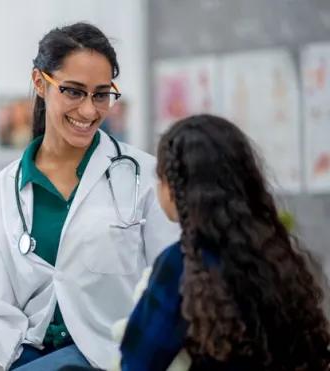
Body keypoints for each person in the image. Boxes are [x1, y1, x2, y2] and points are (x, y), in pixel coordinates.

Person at [0, 22, 180, 371]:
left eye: (101, 94)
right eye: (73, 91)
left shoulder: (145, 178)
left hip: (109, 355)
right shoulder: (0, 194)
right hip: (23, 352)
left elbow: (171, 283)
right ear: (40, 83)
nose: (89, 111)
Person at [117, 114, 330, 370]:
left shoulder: (180, 264)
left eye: (159, 175)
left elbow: (138, 362)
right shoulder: (275, 258)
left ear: (174, 187)